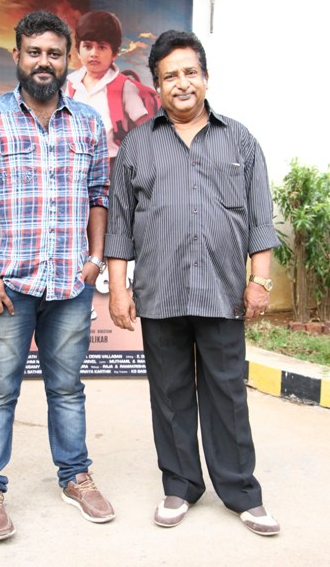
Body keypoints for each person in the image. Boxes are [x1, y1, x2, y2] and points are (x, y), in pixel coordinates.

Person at [0, 10, 114, 543]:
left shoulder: (88, 123)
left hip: (69, 285)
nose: (45, 62)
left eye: (54, 53)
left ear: (67, 60)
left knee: (67, 388)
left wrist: (94, 260)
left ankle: (75, 476)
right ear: (16, 55)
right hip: (7, 289)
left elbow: (100, 196)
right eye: (35, 52)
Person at [104, 30, 281, 536]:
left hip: (222, 292)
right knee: (170, 392)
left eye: (190, 72)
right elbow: (119, 225)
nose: (181, 83)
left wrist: (259, 281)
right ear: (157, 86)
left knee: (228, 393)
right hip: (160, 293)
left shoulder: (239, 140)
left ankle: (241, 492)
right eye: (170, 76)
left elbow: (260, 218)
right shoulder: (138, 145)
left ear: (205, 77)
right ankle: (180, 485)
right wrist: (118, 289)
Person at [66, 10, 158, 169]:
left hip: (113, 164)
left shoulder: (124, 86)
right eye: (87, 46)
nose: (94, 53)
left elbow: (145, 129)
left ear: (114, 54)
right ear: (78, 51)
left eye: (102, 47)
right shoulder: (72, 85)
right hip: (77, 164)